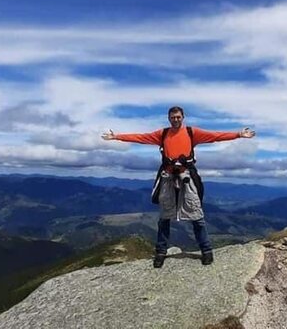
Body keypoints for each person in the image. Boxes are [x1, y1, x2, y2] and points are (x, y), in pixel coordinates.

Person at [102, 106, 255, 268]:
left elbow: (214, 136)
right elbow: (140, 137)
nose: (175, 120)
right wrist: (117, 137)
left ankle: (206, 251)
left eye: (178, 117)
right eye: (173, 117)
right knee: (165, 217)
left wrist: (238, 134)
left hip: (186, 176)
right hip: (168, 177)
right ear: (169, 118)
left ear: (183, 117)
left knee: (196, 215)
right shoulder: (162, 134)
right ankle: (161, 252)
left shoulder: (191, 132)